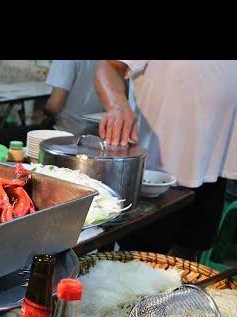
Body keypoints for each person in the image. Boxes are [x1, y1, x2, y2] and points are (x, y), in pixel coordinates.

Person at [95, 60, 237, 260]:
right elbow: (109, 66)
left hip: (214, 167)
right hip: (157, 174)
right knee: (140, 260)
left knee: (189, 254)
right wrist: (117, 105)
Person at [44, 60, 103, 136]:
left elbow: (54, 105)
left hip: (68, 131)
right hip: (98, 130)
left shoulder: (63, 62)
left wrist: (45, 113)